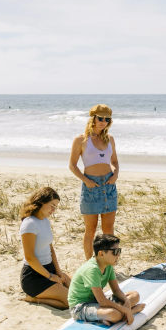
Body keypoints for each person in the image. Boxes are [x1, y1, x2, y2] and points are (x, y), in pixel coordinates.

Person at [69, 104, 120, 259]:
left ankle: (107, 263)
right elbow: (72, 165)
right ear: (93, 118)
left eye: (107, 119)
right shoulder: (80, 140)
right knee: (90, 230)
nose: (103, 121)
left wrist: (116, 174)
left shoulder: (110, 139)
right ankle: (89, 264)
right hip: (91, 187)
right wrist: (86, 180)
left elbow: (115, 161)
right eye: (100, 118)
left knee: (108, 230)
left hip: (109, 186)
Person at [67, 234, 145, 325]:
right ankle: (131, 312)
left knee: (134, 295)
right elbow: (102, 301)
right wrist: (127, 310)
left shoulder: (108, 265)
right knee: (114, 314)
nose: (118, 255)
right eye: (115, 252)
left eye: (119, 251)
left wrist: (126, 302)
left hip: (96, 301)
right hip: (80, 307)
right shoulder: (92, 269)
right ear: (101, 254)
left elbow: (116, 290)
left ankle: (113, 316)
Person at [19, 187, 71, 309]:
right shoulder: (29, 224)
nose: (53, 210)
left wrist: (58, 272)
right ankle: (34, 299)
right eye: (52, 205)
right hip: (34, 276)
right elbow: (30, 257)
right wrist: (50, 277)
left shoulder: (45, 221)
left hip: (50, 268)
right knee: (70, 302)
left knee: (80, 290)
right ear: (41, 201)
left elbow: (51, 249)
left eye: (56, 207)